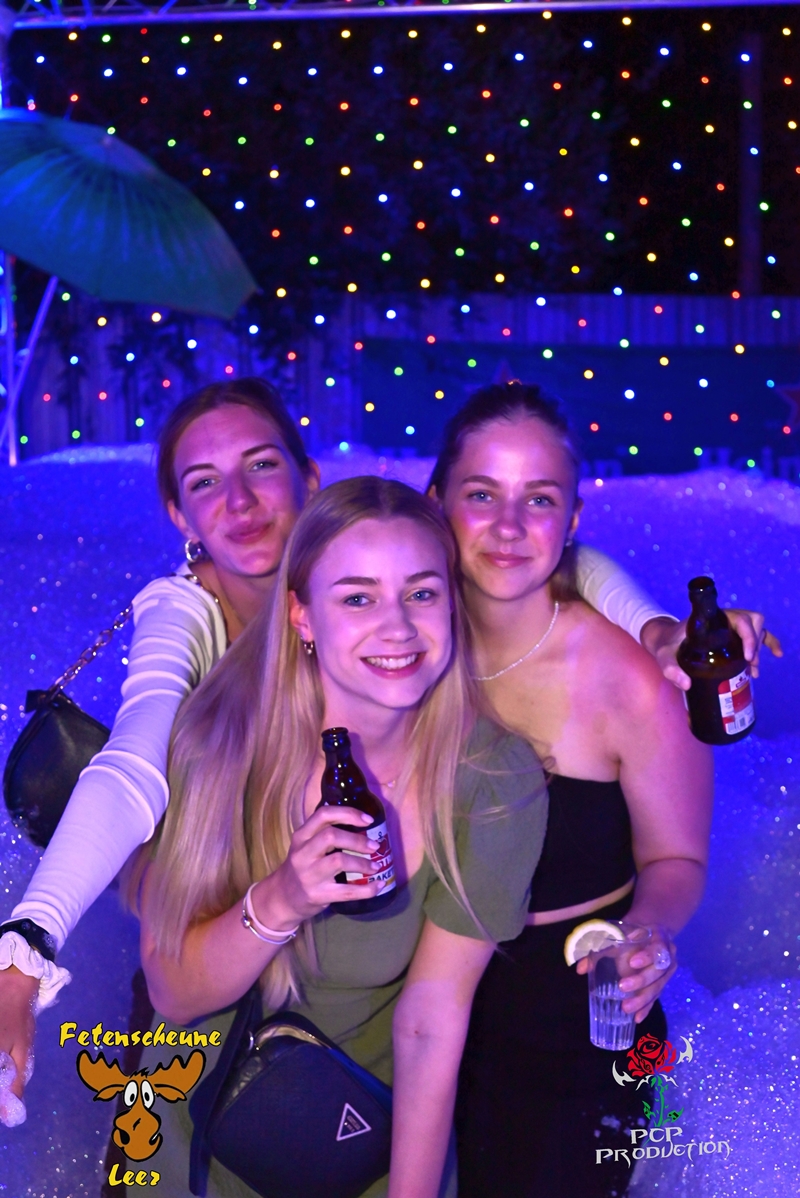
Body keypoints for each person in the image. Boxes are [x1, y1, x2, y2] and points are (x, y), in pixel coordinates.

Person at [0, 374, 773, 1122]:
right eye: (205, 482)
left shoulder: (416, 598)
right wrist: (30, 943)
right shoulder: (195, 613)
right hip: (266, 979)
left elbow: (561, 559)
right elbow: (132, 765)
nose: (239, 501)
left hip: (497, 1007)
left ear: (309, 479)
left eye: (262, 466)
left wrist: (655, 627)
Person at [132, 476, 549, 1198]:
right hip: (193, 1134)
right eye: (358, 598)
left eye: (421, 593)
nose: (398, 628)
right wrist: (284, 898)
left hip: (365, 1137)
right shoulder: (218, 746)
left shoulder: (492, 777)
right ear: (302, 615)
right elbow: (173, 993)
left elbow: (430, 1020)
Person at [426, 382, 779, 1198]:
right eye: (481, 494)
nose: (508, 526)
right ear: (437, 501)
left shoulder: (635, 680)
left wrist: (644, 935)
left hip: (579, 1023)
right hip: (416, 1011)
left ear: (572, 519)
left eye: (539, 500)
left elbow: (678, 858)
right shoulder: (401, 647)